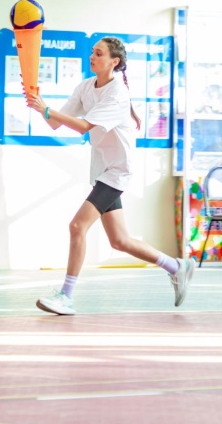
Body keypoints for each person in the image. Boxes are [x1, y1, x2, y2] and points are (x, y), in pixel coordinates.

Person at [25, 36, 195, 315]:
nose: (92, 57)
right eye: (92, 52)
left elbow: (83, 126)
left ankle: (66, 296)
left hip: (117, 171)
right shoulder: (86, 87)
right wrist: (38, 103)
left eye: (99, 53)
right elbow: (55, 123)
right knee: (120, 241)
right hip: (102, 170)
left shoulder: (117, 93)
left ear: (114, 62)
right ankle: (176, 266)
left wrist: (45, 108)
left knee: (77, 226)